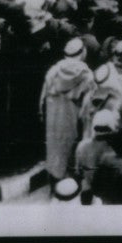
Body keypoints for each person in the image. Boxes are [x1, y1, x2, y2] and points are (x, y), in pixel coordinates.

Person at [39, 37, 94, 186]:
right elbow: (89, 101)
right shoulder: (86, 74)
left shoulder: (53, 71)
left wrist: (43, 114)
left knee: (54, 147)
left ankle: (56, 180)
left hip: (54, 116)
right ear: (82, 52)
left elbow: (43, 98)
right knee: (72, 146)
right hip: (73, 117)